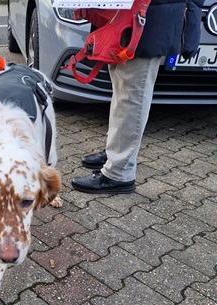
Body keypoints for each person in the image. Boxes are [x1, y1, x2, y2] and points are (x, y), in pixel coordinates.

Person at [72, 0, 204, 195]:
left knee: (132, 95)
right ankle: (115, 153)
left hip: (149, 17)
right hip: (133, 15)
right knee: (122, 90)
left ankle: (119, 173)